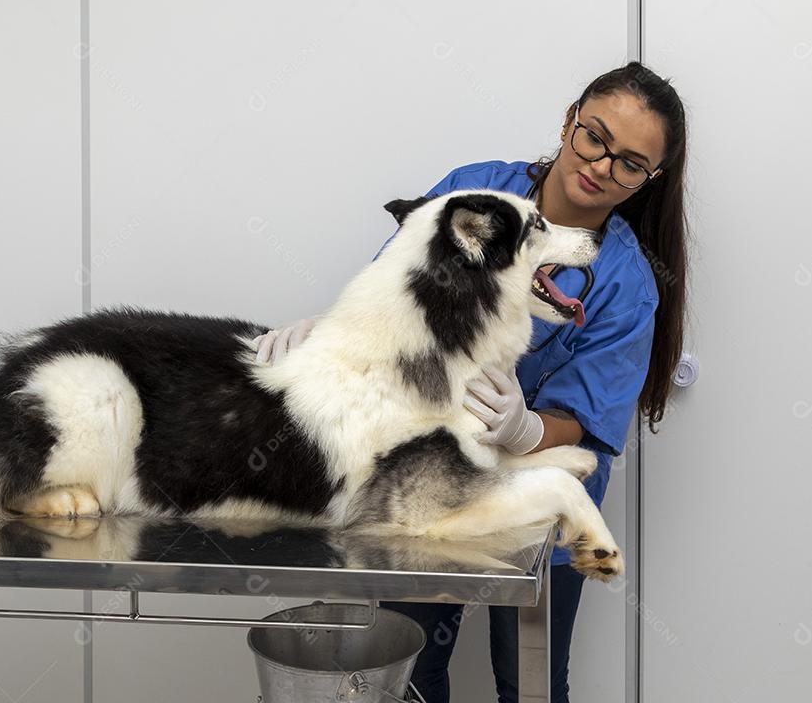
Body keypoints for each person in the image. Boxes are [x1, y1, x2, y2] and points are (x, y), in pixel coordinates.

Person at [253, 61, 688, 703]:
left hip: (540, 503)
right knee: (409, 664)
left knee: (529, 679)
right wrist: (328, 332)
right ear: (570, 121)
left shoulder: (626, 280)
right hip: (430, 479)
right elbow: (398, 288)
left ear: (647, 180)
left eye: (629, 163)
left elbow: (591, 417)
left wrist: (526, 427)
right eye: (595, 136)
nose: (600, 165)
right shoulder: (476, 192)